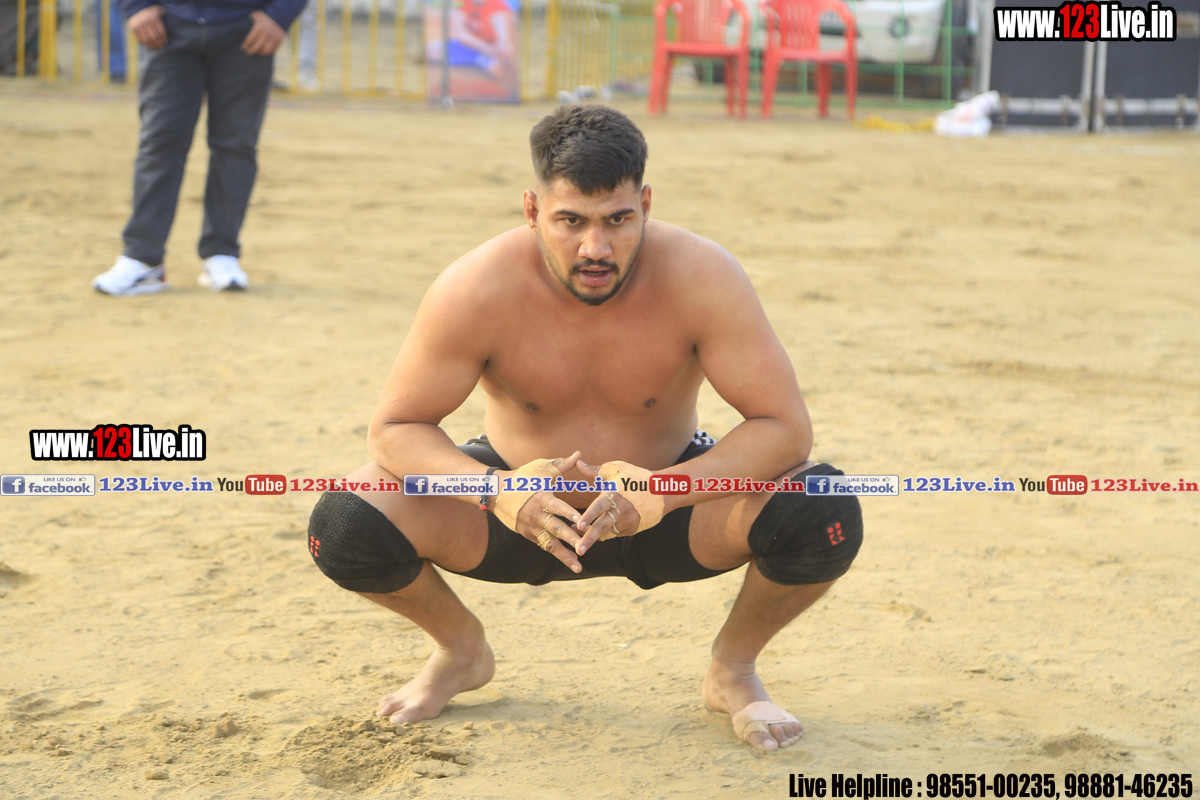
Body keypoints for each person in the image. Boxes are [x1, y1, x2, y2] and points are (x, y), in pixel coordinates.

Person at [307, 105, 863, 752]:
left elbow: (784, 428)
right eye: (570, 221)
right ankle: (460, 651)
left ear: (645, 205)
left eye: (617, 220)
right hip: (515, 509)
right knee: (345, 523)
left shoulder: (702, 275)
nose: (595, 248)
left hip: (667, 507)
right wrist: (495, 490)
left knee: (820, 506)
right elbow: (395, 430)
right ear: (532, 210)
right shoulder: (476, 286)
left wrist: (664, 491)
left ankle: (732, 670)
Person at [90, 0, 307, 296]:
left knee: (235, 145)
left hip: (247, 27)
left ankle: (221, 253)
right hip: (168, 24)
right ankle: (143, 258)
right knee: (159, 142)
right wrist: (135, 6)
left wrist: (280, 15)